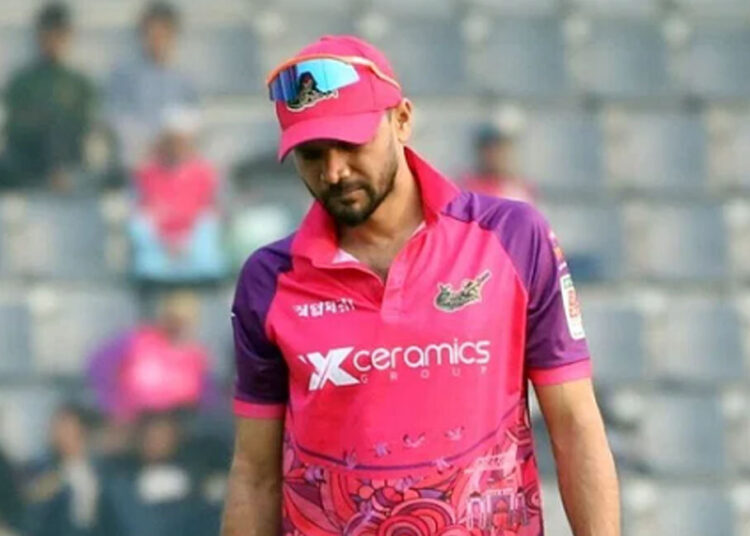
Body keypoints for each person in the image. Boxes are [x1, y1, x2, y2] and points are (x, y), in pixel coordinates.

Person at [221, 35, 620, 536]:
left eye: (350, 143)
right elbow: (255, 474)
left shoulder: (513, 238)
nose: (334, 171)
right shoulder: (269, 279)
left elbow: (575, 425)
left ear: (402, 120)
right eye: (312, 154)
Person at [1, 2, 96, 190]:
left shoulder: (80, 83)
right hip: (28, 157)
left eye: (58, 35)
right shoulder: (22, 81)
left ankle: (59, 176)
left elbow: (84, 123)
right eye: (47, 35)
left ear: (67, 37)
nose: (52, 42)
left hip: (67, 158)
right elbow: (14, 124)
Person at [129, 106, 226, 283]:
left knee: (208, 223)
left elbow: (208, 208)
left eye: (182, 142)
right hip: (160, 240)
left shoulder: (204, 172)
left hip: (194, 240)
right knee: (140, 225)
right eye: (171, 142)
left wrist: (185, 239)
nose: (176, 148)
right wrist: (166, 238)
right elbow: (145, 207)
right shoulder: (147, 172)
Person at [87, 290, 217, 422]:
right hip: (135, 420)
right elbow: (98, 366)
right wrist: (114, 405)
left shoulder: (195, 357)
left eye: (184, 321)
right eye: (173, 318)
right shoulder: (137, 341)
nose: (178, 326)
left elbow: (208, 400)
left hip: (176, 424)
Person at [106, 1, 197, 169]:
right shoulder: (124, 75)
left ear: (173, 35)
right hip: (137, 158)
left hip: (175, 157)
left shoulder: (185, 78)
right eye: (150, 34)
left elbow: (191, 119)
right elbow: (116, 117)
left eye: (162, 35)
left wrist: (172, 141)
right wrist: (148, 142)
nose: (156, 41)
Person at [24, 404, 102, 536]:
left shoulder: (103, 473)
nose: (56, 434)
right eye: (54, 427)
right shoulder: (39, 473)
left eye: (65, 427)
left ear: (82, 431)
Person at [460, 123, 536, 204]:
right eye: (491, 148)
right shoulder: (467, 189)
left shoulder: (522, 190)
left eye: (506, 148)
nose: (500, 155)